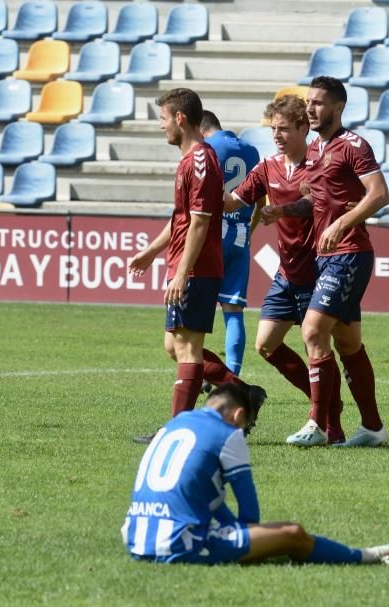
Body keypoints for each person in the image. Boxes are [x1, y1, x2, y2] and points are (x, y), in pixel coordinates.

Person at [122, 383, 389, 565]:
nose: (244, 432)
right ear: (239, 415)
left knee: (267, 535)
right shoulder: (228, 433)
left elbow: (199, 494)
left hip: (135, 536)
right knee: (293, 534)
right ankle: (373, 554)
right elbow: (250, 514)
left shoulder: (173, 424)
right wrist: (248, 540)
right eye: (246, 426)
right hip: (177, 545)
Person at [261, 76, 389, 448]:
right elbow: (316, 202)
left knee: (313, 332)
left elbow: (379, 194)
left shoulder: (353, 145)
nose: (311, 108)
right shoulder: (316, 149)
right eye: (309, 102)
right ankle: (373, 429)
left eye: (318, 103)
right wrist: (284, 209)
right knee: (348, 345)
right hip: (327, 256)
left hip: (349, 253)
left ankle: (317, 425)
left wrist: (342, 222)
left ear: (338, 107)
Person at [225, 94, 346, 445]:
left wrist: (285, 209)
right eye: (273, 129)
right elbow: (236, 200)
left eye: (284, 129)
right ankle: (325, 402)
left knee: (317, 346)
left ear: (304, 128)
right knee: (266, 344)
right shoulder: (267, 167)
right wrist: (203, 196)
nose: (276, 135)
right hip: (287, 273)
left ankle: (327, 422)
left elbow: (319, 204)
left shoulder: (319, 165)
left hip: (320, 270)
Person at [127, 88, 225, 428]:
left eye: (163, 118)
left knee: (187, 349)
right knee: (175, 345)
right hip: (187, 264)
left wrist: (183, 273)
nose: (161, 126)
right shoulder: (190, 160)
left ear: (180, 118)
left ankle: (177, 429)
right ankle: (241, 392)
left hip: (195, 268)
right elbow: (182, 218)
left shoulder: (199, 161)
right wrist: (152, 252)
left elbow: (200, 222)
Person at [199, 110, 261, 377]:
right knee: (233, 311)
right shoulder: (252, 151)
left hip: (212, 232)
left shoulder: (205, 149)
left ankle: (198, 371)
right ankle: (233, 375)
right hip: (241, 233)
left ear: (200, 128)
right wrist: (249, 231)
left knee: (195, 310)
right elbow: (261, 201)